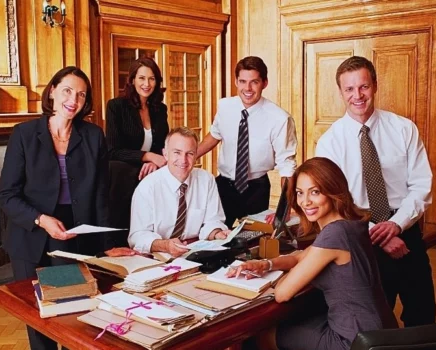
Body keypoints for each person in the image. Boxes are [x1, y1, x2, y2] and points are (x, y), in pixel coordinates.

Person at [0, 66, 135, 350]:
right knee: (38, 318)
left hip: (73, 235)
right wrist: (40, 218)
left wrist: (106, 243)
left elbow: (100, 195)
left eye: (81, 94)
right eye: (67, 91)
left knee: (71, 312)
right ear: (52, 92)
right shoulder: (24, 134)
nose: (74, 99)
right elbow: (6, 194)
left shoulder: (93, 135)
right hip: (30, 235)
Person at [315, 56, 436, 327]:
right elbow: (335, 201)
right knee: (377, 321)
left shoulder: (404, 129)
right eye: (349, 89)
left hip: (405, 226)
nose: (357, 95)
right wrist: (379, 235)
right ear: (341, 92)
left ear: (375, 86)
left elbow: (421, 186)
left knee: (423, 312)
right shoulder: (329, 143)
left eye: (364, 87)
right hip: (358, 234)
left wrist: (396, 225)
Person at [227, 157, 398, 350]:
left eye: (315, 192)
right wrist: (266, 265)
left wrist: (278, 279)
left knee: (257, 334)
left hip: (351, 341)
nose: (305, 202)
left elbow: (282, 294)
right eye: (300, 193)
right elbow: (301, 256)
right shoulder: (351, 224)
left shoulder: (335, 233)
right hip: (379, 333)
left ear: (334, 190)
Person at [197, 56, 297, 228]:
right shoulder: (225, 106)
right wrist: (190, 155)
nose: (247, 88)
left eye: (254, 82)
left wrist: (285, 208)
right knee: (213, 233)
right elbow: (214, 135)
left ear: (264, 83)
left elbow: (287, 168)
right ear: (236, 81)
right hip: (223, 187)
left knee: (251, 239)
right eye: (242, 81)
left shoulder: (280, 118)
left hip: (256, 190)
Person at [128, 127, 229, 257]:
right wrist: (164, 245)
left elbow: (213, 220)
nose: (183, 160)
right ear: (165, 154)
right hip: (158, 256)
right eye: (177, 152)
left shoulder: (206, 180)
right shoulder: (148, 187)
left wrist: (216, 232)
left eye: (190, 154)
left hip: (195, 252)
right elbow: (137, 236)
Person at [105, 57, 169, 243]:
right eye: (141, 78)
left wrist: (154, 161)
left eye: (152, 79)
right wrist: (147, 156)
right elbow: (112, 151)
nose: (146, 84)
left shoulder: (160, 109)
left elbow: (161, 144)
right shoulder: (116, 106)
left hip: (152, 172)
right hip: (122, 176)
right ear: (132, 80)